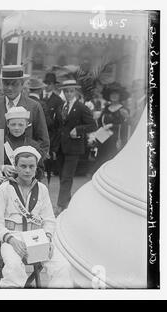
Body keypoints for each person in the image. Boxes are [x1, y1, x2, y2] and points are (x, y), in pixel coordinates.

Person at [0, 146, 73, 288]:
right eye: (23, 166)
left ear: (36, 167)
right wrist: (11, 241)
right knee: (14, 267)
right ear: (15, 166)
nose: (27, 170)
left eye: (31, 166)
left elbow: (49, 221)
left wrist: (47, 239)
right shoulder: (5, 188)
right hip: (13, 239)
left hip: (37, 238)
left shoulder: (42, 189)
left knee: (62, 266)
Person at [0, 65, 50, 170]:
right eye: (6, 84)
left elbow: (43, 141)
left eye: (14, 84)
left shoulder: (34, 107)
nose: (9, 88)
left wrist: (30, 165)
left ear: (22, 84)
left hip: (25, 174)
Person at [55, 80, 96, 215]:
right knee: (62, 176)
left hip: (74, 147)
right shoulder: (61, 106)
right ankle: (67, 201)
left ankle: (60, 206)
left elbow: (93, 125)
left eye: (71, 91)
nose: (68, 93)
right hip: (61, 147)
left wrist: (78, 130)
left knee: (67, 176)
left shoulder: (81, 107)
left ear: (75, 92)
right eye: (66, 91)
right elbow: (58, 127)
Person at [0, 106, 44, 182]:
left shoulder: (34, 146)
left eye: (20, 125)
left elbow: (41, 171)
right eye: (13, 124)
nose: (16, 128)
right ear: (7, 124)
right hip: (4, 187)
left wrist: (27, 171)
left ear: (27, 125)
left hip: (27, 188)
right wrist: (3, 168)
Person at [93, 83, 130, 173]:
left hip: (116, 139)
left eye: (116, 94)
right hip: (104, 137)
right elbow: (100, 122)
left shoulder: (123, 109)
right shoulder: (106, 108)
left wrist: (112, 126)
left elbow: (126, 125)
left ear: (120, 96)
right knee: (101, 158)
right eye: (112, 94)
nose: (114, 96)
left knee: (112, 158)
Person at [42, 72, 64, 180]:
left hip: (50, 135)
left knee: (47, 167)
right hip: (37, 134)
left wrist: (54, 144)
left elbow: (58, 123)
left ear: (54, 85)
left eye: (50, 83)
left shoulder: (58, 100)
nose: (47, 85)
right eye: (46, 83)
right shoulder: (38, 96)